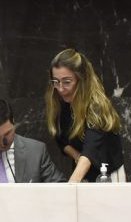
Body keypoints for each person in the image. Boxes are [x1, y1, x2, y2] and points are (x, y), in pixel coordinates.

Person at [46, 48, 125, 183]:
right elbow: (61, 140)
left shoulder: (96, 107)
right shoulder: (60, 102)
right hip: (83, 171)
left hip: (108, 174)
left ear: (81, 79)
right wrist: (76, 155)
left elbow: (90, 151)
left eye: (67, 82)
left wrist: (70, 187)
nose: (60, 88)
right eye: (56, 81)